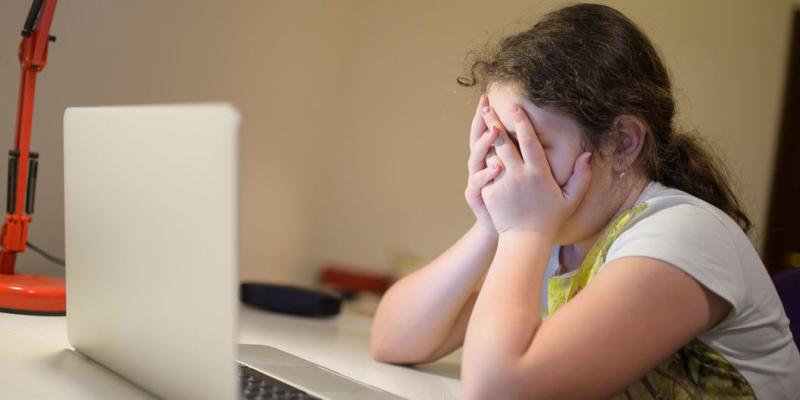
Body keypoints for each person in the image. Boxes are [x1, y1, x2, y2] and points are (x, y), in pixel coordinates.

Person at [370, 3, 800, 399]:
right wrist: (490, 225)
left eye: (530, 146)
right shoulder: (556, 236)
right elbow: (393, 339)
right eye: (497, 145)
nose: (506, 170)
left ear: (624, 142)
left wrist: (522, 230)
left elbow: (497, 389)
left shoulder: (682, 233)